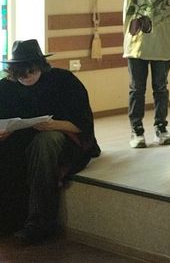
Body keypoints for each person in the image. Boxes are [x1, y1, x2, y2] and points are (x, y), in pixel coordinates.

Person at [0, 39, 101, 244]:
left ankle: (40, 223)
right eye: (20, 73)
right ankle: (9, 218)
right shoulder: (6, 88)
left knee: (44, 142)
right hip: (21, 138)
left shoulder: (63, 81)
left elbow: (82, 125)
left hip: (62, 137)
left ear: (40, 66)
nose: (26, 76)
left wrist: (53, 125)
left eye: (31, 71)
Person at [123, 0, 170, 148]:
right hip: (137, 48)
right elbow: (127, 19)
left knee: (160, 88)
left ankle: (161, 128)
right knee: (137, 89)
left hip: (162, 47)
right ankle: (136, 131)